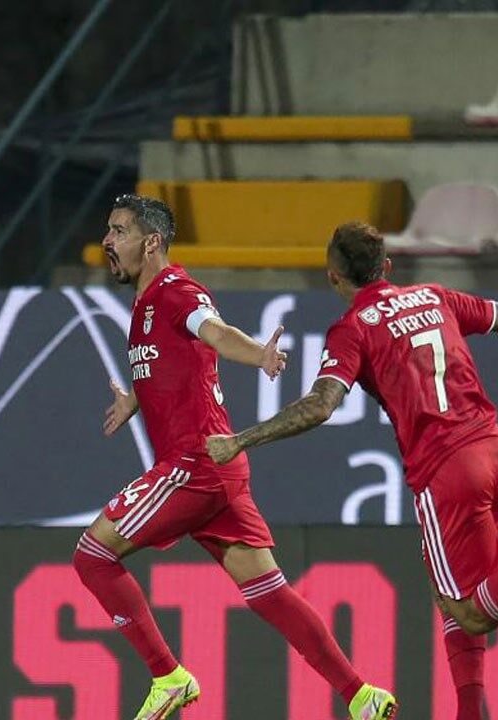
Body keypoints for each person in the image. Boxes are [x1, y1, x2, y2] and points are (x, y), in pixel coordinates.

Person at [207, 221, 498, 720]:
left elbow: (321, 406)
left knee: (469, 610)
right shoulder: (432, 297)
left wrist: (240, 439)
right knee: (453, 590)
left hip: (448, 471)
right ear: (386, 267)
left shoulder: (352, 329)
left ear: (333, 279)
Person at [75, 195, 397, 720]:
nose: (108, 242)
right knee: (271, 592)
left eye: (119, 231)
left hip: (192, 467)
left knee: (92, 555)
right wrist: (138, 398)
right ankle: (361, 695)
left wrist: (259, 355)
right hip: (221, 469)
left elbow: (215, 333)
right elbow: (181, 363)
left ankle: (168, 676)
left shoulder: (177, 291)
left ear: (150, 241)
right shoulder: (146, 300)